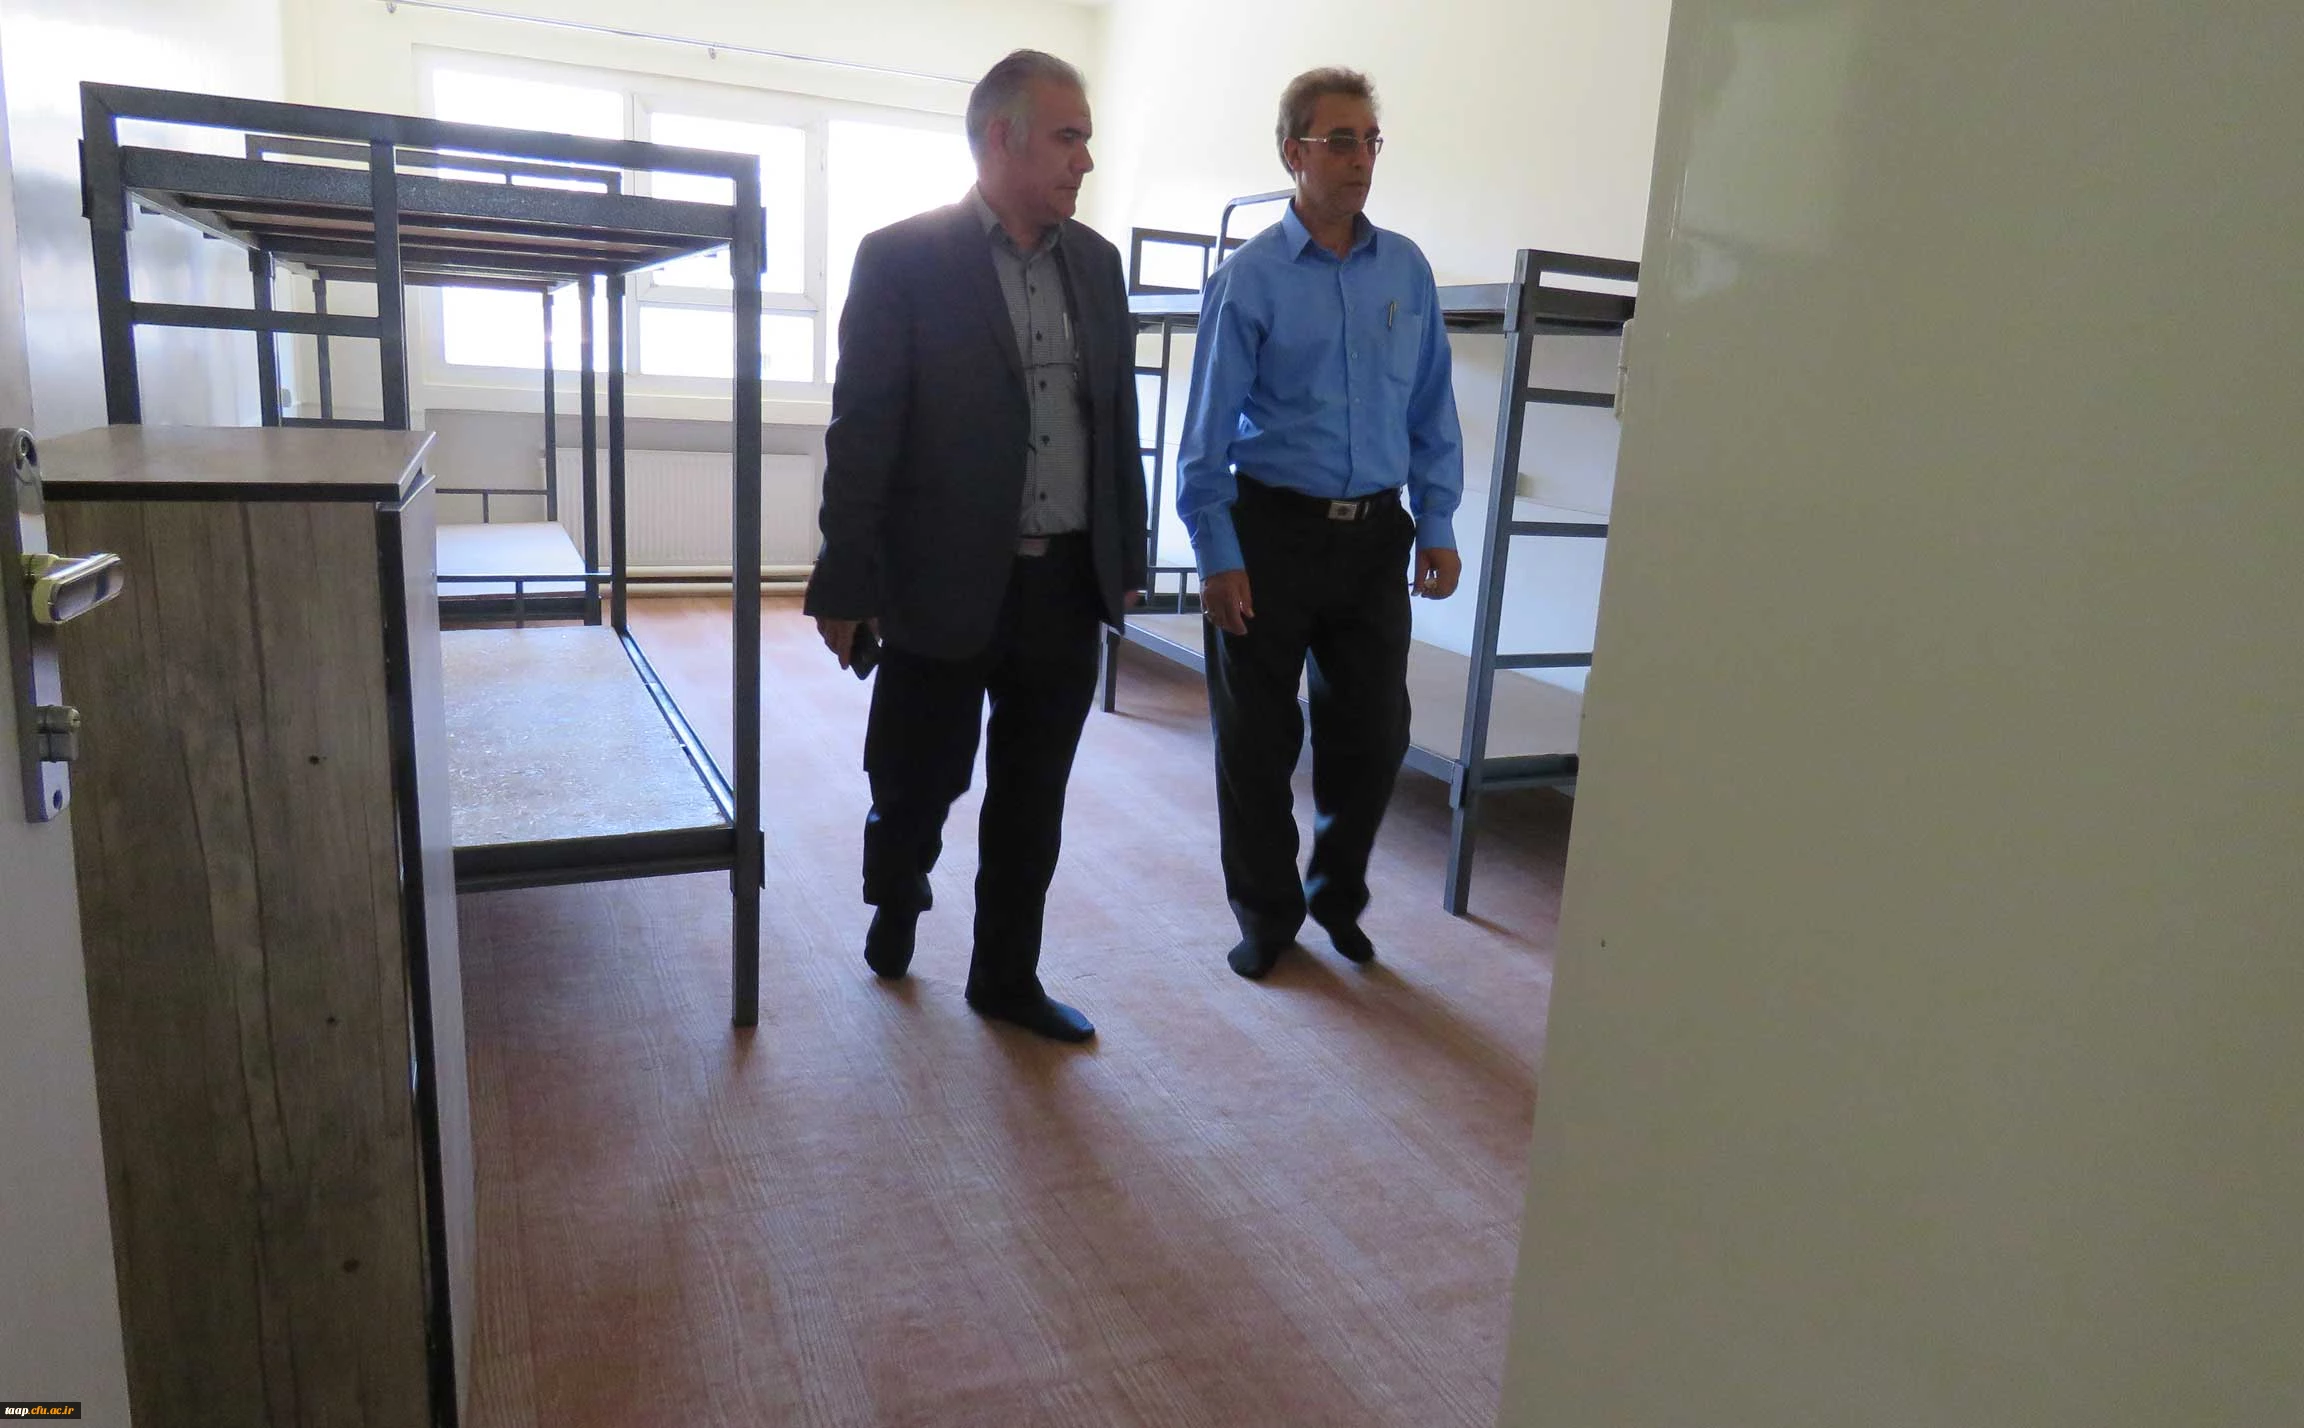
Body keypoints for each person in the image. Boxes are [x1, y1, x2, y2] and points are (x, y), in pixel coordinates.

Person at [803, 50, 1145, 1043]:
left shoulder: (1097, 266)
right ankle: (898, 888)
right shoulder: (902, 258)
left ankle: (1005, 977)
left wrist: (1124, 556)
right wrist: (846, 579)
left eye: (1086, 139)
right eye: (1069, 137)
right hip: (940, 577)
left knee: (1033, 798)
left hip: (1064, 583)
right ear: (1003, 137)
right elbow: (864, 429)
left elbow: (1114, 421)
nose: (1085, 159)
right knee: (918, 781)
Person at [1175, 67, 1465, 980]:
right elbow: (1204, 435)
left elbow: (1432, 405)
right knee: (1257, 741)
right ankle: (1268, 916)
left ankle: (1337, 893)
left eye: (1370, 140)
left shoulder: (1406, 270)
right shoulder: (1250, 280)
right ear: (1292, 153)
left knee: (1375, 735)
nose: (1360, 158)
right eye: (1340, 141)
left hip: (1374, 537)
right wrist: (1217, 553)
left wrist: (1438, 519)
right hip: (1269, 533)